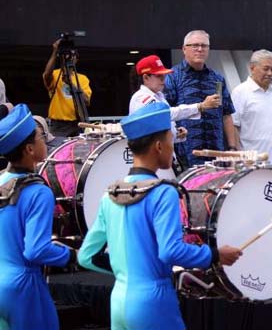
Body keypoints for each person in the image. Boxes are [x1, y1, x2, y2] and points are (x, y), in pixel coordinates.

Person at [78, 102, 242, 330]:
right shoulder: (163, 192)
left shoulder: (111, 194)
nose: (172, 147)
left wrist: (126, 270)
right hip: (153, 303)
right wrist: (215, 254)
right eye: (170, 140)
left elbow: (87, 256)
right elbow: (170, 250)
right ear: (158, 146)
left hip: (119, 301)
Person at [0, 104, 76, 330]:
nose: (46, 141)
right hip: (24, 287)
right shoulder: (39, 191)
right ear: (30, 150)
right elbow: (36, 250)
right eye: (41, 137)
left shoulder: (1, 181)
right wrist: (70, 255)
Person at [164, 30, 238, 169]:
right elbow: (166, 113)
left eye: (204, 46)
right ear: (184, 49)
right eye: (195, 45)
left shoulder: (217, 79)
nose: (200, 49)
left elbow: (227, 114)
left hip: (216, 153)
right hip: (185, 154)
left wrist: (232, 147)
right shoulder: (173, 77)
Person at [130, 55, 218, 144]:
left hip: (162, 153)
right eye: (159, 76)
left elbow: (162, 126)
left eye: (164, 75)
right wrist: (200, 106)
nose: (163, 79)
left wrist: (176, 133)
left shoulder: (159, 96)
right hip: (150, 155)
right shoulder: (141, 97)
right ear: (146, 78)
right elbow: (165, 114)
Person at [231, 49, 272, 167]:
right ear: (252, 68)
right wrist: (240, 157)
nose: (270, 73)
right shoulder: (240, 92)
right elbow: (233, 125)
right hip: (252, 163)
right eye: (266, 69)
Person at [43, 39, 92, 137]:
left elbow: (86, 101)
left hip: (77, 123)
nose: (70, 58)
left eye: (73, 56)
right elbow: (47, 74)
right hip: (58, 125)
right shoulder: (56, 75)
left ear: (77, 59)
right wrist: (55, 52)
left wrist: (71, 84)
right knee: (57, 150)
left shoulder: (82, 78)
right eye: (68, 55)